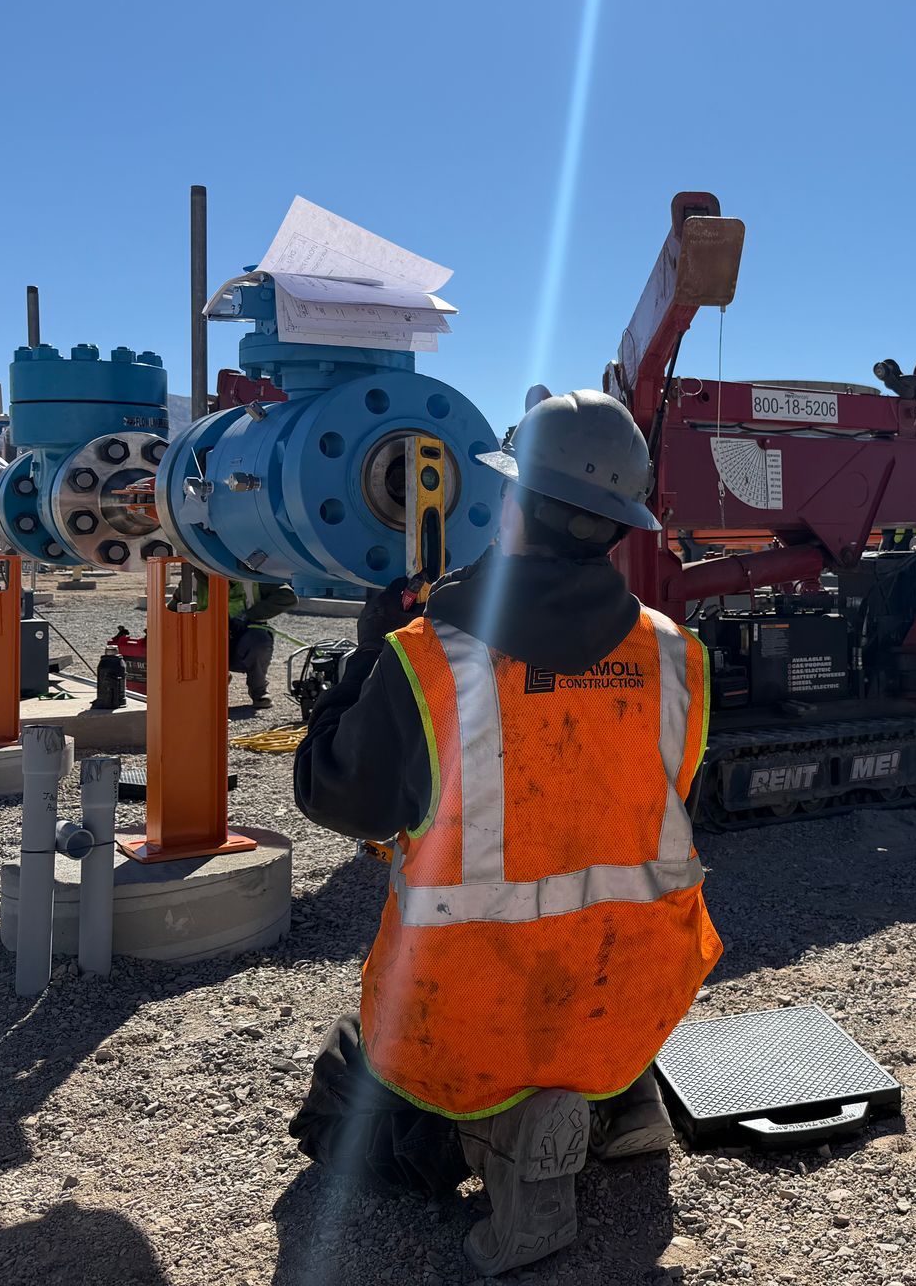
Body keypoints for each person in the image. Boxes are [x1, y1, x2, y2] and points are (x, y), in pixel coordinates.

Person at [289, 389, 722, 1277]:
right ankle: (617, 1095)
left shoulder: (430, 658)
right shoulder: (677, 656)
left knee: (344, 1110)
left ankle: (522, 1135)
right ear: (615, 530)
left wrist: (372, 658)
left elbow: (339, 799)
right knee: (585, 1000)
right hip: (631, 991)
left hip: (474, 1004)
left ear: (515, 504)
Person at [225, 579, 296, 707]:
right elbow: (176, 607)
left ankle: (258, 690)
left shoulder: (251, 578)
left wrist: (250, 615)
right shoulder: (194, 579)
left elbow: (288, 596)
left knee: (259, 641)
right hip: (209, 636)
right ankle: (213, 684)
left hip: (244, 633)